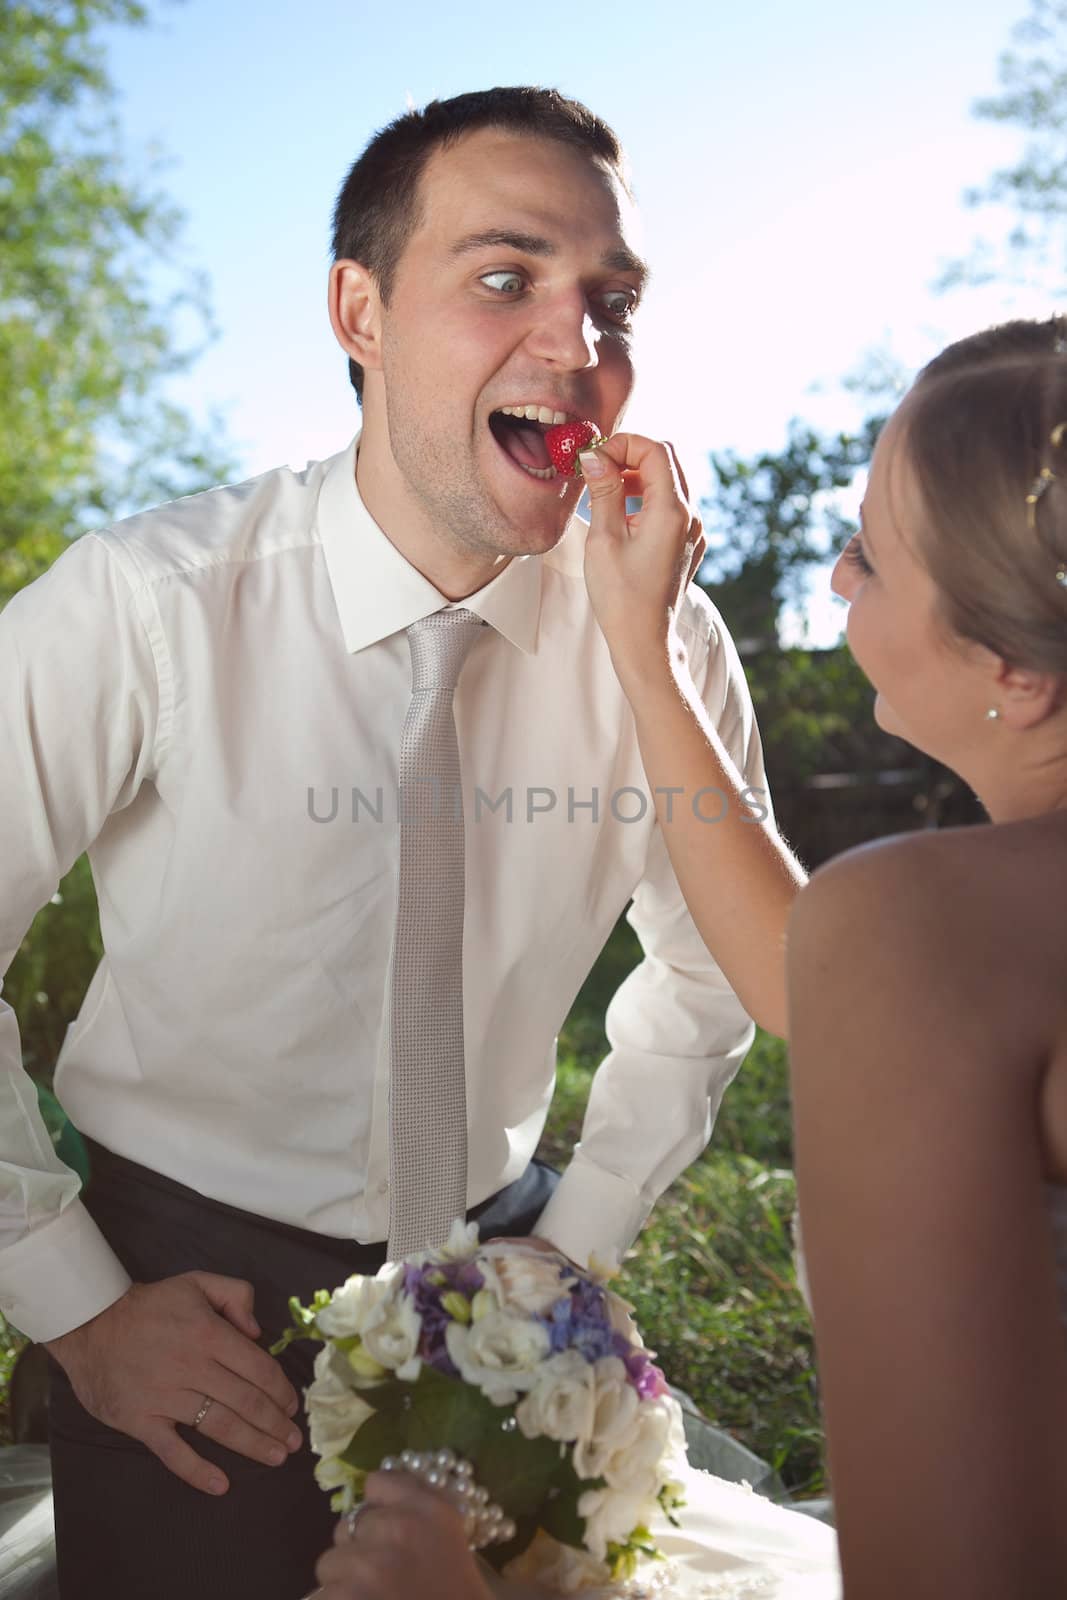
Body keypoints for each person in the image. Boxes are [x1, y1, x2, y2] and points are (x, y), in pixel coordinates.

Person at [0, 87, 804, 1600]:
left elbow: (709, 975)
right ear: (357, 311)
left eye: (608, 302)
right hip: (192, 1295)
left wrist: (576, 1249)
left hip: (507, 1277)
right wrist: (79, 1310)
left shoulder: (654, 630)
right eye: (505, 279)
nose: (577, 347)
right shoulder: (142, 603)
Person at [311, 319, 1067, 1600]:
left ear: (1007, 668)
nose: (832, 582)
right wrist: (642, 642)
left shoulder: (916, 929)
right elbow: (797, 979)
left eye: (870, 557)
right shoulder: (944, 941)